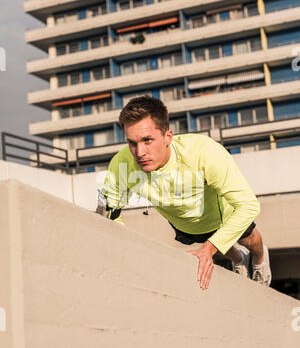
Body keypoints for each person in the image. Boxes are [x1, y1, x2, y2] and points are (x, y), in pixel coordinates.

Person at [97, 95, 271, 290]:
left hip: (225, 216)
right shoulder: (121, 163)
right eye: (132, 143)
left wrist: (209, 248)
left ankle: (259, 258)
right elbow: (110, 213)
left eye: (147, 140)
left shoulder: (203, 152)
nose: (139, 152)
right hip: (186, 222)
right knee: (220, 246)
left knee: (249, 239)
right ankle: (239, 260)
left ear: (167, 137)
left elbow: (248, 205)